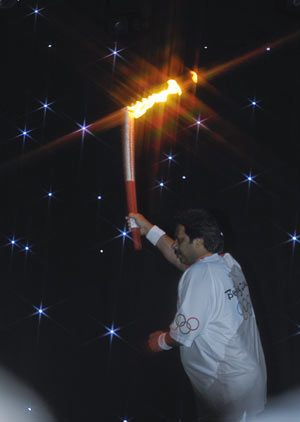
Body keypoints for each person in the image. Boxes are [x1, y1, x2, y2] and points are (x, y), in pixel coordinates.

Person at [128, 209, 267, 422]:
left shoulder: (200, 274)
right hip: (246, 381)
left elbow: (185, 331)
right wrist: (148, 229)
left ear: (199, 242)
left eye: (181, 240)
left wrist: (160, 342)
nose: (175, 244)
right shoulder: (227, 263)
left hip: (229, 391)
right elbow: (181, 261)